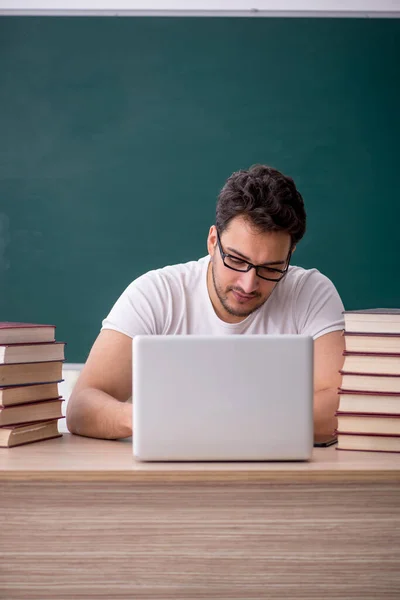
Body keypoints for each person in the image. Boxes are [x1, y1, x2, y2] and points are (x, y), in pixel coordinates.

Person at [66, 164, 345, 440]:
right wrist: (144, 419)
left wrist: (217, 422)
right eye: (235, 260)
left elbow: (341, 406)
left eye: (272, 268)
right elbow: (81, 407)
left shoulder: (311, 293)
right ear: (213, 241)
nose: (248, 284)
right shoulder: (157, 293)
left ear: (290, 254)